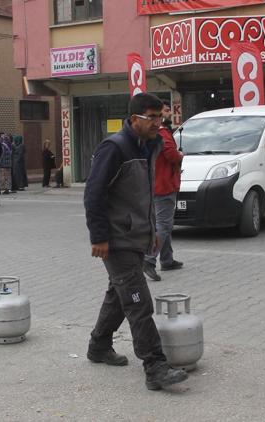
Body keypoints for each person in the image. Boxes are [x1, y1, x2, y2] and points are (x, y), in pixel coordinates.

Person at [84, 93, 188, 390]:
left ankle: (99, 346)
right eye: (151, 117)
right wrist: (99, 236)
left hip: (136, 235)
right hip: (116, 240)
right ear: (133, 120)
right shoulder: (114, 148)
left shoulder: (150, 146)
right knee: (139, 301)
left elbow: (145, 194)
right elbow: (93, 194)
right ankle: (155, 367)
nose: (158, 122)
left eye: (160, 116)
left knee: (120, 295)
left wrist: (152, 227)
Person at [143, 100, 184, 282]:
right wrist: (180, 155)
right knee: (164, 225)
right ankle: (150, 259)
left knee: (163, 222)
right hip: (165, 184)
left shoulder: (149, 133)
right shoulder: (163, 133)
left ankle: (167, 259)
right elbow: (170, 153)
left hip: (153, 184)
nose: (168, 113)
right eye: (166, 111)